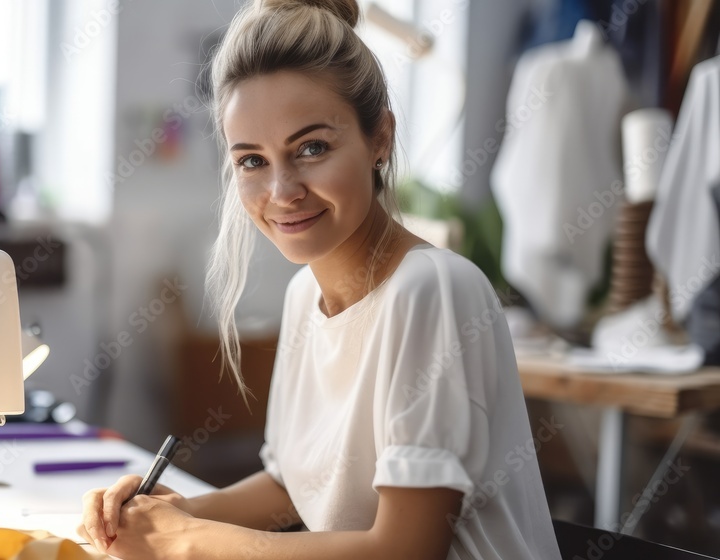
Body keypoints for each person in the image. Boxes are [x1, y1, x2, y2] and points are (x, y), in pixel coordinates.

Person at [79, 0, 561, 557]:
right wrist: (171, 511)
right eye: (252, 161)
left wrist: (191, 542)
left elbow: (404, 548)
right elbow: (292, 489)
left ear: (379, 138)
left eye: (311, 148)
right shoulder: (304, 294)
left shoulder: (431, 290)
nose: (282, 192)